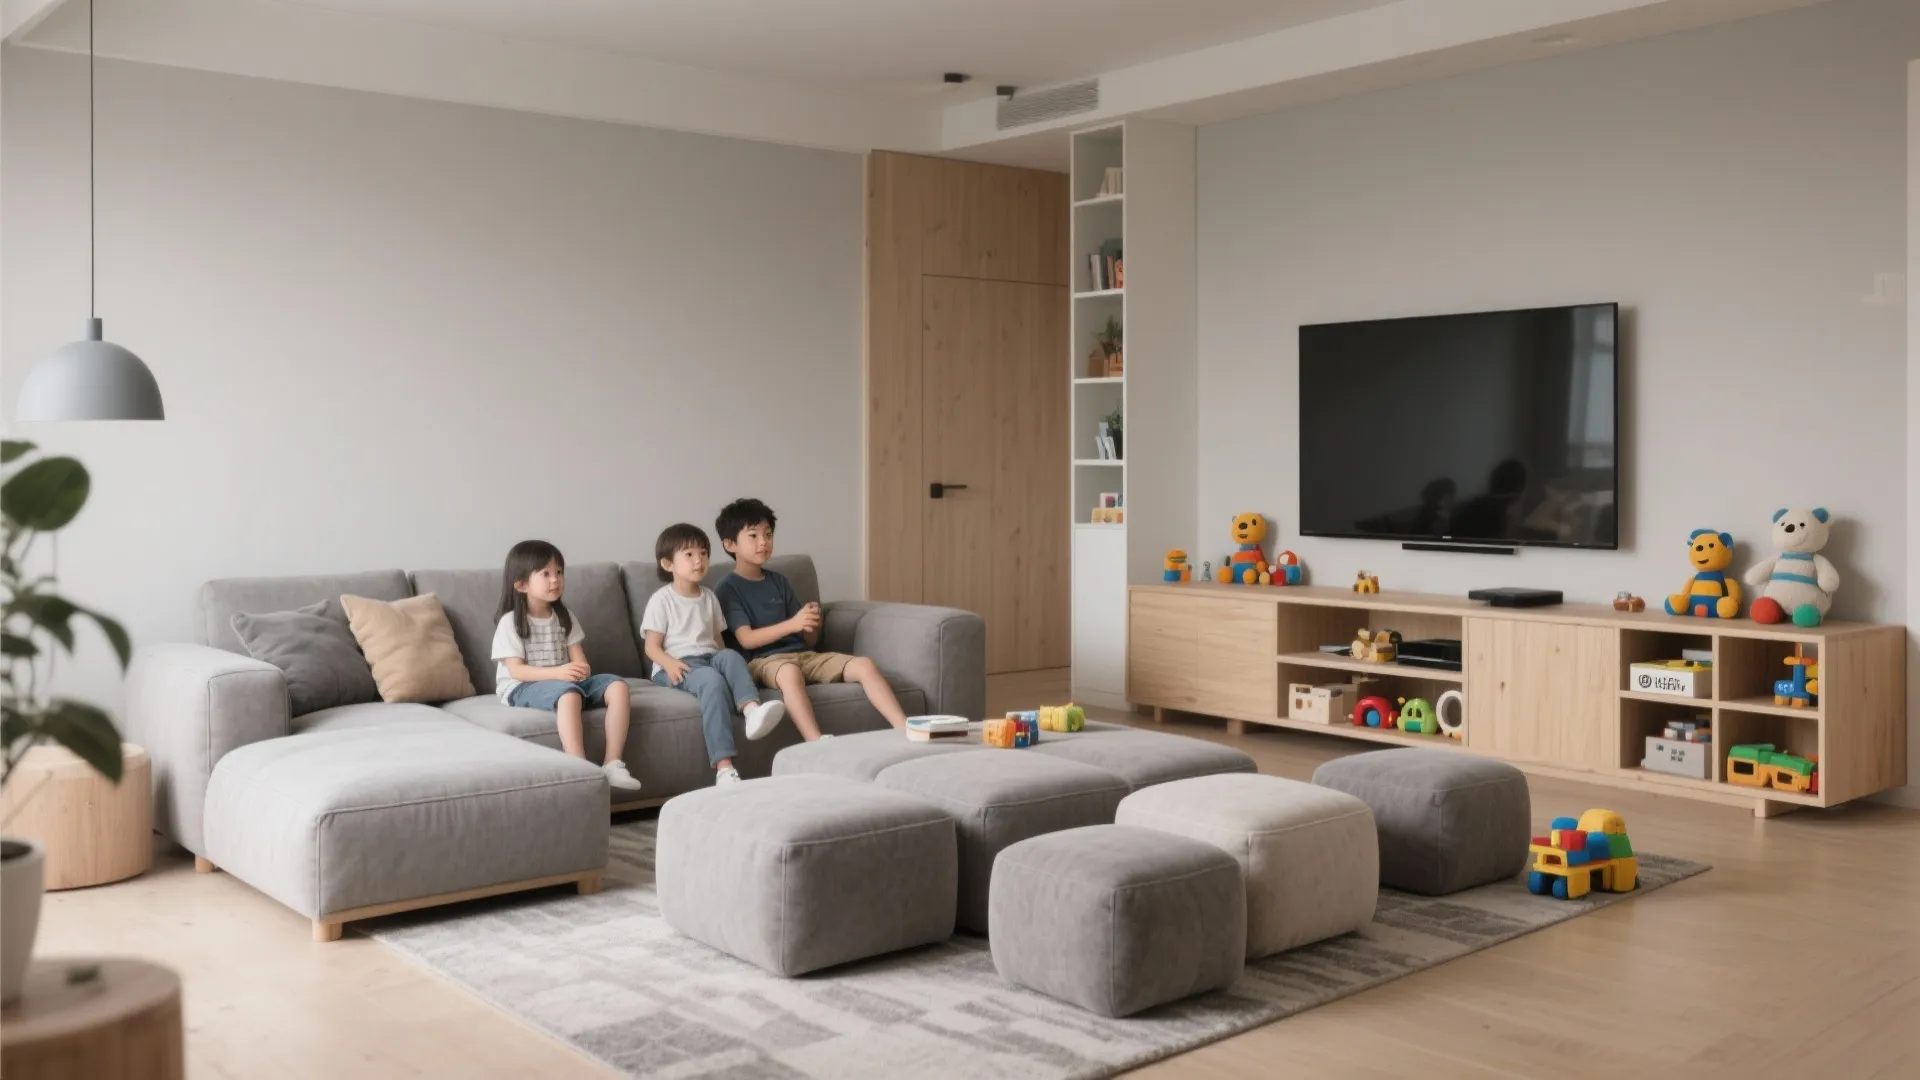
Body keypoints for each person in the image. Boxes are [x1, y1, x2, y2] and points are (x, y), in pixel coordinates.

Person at [714, 498, 908, 736]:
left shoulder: (779, 582)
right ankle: (815, 741)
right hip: (762, 661)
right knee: (789, 672)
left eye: (768, 534)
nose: (763, 542)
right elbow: (746, 640)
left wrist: (810, 624)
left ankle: (904, 727)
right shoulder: (728, 588)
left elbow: (808, 643)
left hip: (803, 655)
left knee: (864, 665)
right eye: (753, 536)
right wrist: (793, 623)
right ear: (730, 544)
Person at [641, 523, 786, 786]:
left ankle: (752, 711)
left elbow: (718, 642)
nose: (699, 560)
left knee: (731, 656)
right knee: (711, 680)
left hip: (709, 656)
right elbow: (652, 647)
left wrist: (729, 663)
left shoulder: (709, 597)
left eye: (703, 553)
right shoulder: (662, 600)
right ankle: (724, 767)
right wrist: (669, 663)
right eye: (689, 555)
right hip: (676, 664)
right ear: (667, 563)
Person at [492, 539, 643, 792]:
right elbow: (517, 670)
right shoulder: (511, 622)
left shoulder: (564, 616)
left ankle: (613, 762)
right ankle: (580, 768)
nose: (555, 580)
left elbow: (578, 657)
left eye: (559, 572)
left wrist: (580, 669)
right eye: (546, 574)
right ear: (521, 584)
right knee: (570, 695)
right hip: (523, 685)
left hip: (562, 680)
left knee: (617, 686)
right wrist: (561, 674)